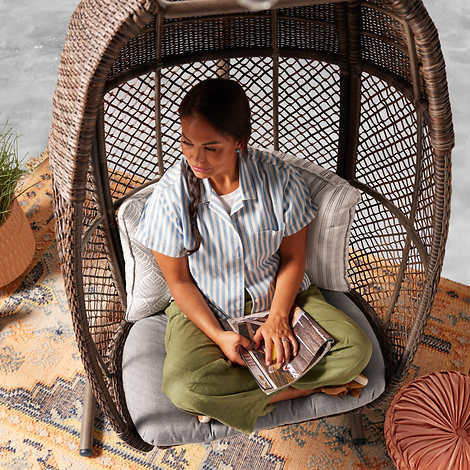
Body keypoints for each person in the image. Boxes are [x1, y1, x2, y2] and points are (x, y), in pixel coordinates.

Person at [135, 78, 372, 433]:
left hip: (283, 297)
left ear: (239, 142)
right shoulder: (171, 196)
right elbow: (179, 282)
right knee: (183, 388)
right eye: (186, 142)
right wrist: (219, 337)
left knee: (356, 350)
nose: (195, 158)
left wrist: (278, 317)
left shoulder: (280, 181)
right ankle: (307, 388)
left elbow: (293, 259)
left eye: (211, 148)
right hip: (207, 305)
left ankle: (231, 401)